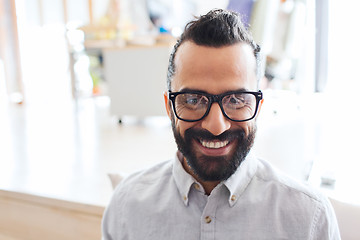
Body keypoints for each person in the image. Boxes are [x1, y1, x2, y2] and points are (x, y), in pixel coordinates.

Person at [102, 9, 340, 240]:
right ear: (169, 107)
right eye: (194, 100)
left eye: (236, 100)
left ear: (258, 106)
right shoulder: (126, 207)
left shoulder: (309, 218)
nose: (217, 126)